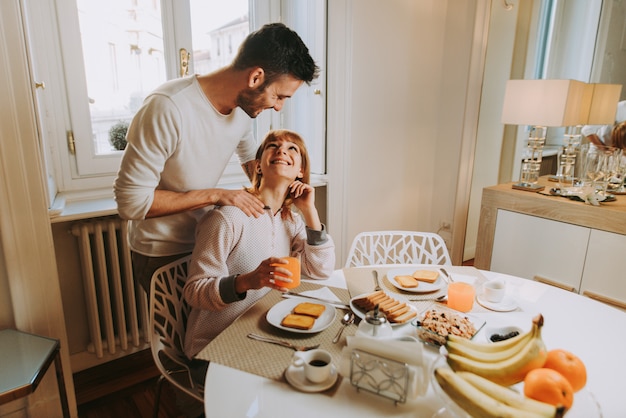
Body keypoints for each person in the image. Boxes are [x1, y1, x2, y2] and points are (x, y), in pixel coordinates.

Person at [114, 23, 319, 294]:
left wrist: (278, 196)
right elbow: (131, 203)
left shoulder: (243, 111)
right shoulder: (167, 107)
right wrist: (217, 195)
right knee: (196, 336)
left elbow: (251, 161)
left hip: (211, 241)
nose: (278, 106)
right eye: (278, 96)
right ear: (256, 77)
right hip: (165, 252)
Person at [183, 129, 335, 360]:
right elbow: (194, 292)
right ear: (258, 166)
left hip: (264, 333)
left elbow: (319, 270)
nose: (282, 149)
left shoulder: (291, 221)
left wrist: (309, 211)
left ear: (300, 171)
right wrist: (247, 281)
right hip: (215, 344)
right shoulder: (228, 217)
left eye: (292, 148)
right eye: (272, 146)